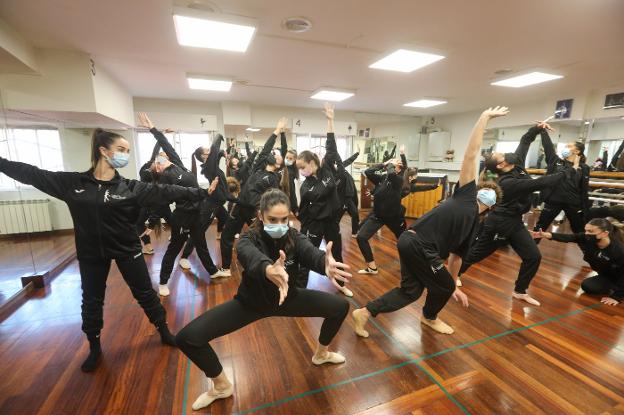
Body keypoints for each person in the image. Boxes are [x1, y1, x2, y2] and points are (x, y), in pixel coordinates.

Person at [0, 128, 219, 372]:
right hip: (91, 253)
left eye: (127, 150)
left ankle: (164, 331)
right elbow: (33, 174)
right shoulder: (73, 183)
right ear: (103, 151)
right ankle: (94, 346)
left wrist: (201, 192)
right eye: (121, 150)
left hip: (127, 249)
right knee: (92, 300)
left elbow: (165, 191)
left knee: (145, 293)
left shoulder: (129, 187)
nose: (125, 155)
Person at [175, 189, 352, 410]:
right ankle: (221, 386)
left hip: (288, 299)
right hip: (252, 304)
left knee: (340, 307)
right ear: (260, 216)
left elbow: (309, 252)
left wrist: (324, 264)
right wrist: (268, 269)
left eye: (284, 219)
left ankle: (322, 353)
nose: (279, 224)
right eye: (272, 220)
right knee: (187, 338)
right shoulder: (249, 237)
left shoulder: (294, 236)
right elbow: (248, 253)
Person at [351, 106, 507, 337]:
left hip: (409, 242)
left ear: (491, 207)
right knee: (440, 286)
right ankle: (429, 317)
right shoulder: (465, 195)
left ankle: (364, 313)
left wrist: (453, 284)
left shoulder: (475, 225)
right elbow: (471, 155)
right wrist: (483, 118)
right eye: (484, 191)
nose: (485, 196)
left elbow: (457, 257)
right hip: (418, 245)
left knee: (410, 292)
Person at [456, 124, 576, 305]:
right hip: (499, 223)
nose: (506, 154)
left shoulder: (516, 163)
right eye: (501, 155)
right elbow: (543, 183)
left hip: (515, 222)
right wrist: (570, 169)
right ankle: (454, 273)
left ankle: (520, 291)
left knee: (533, 256)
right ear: (501, 164)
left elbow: (525, 141)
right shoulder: (507, 182)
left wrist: (537, 129)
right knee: (477, 254)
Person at [138, 112, 221, 296]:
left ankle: (213, 271)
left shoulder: (176, 164)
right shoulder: (164, 180)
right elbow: (159, 203)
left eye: (161, 158)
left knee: (201, 244)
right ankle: (162, 282)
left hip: (197, 213)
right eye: (157, 161)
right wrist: (152, 222)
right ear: (156, 169)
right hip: (182, 217)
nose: (161, 159)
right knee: (174, 248)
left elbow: (165, 147)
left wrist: (153, 129)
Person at [216, 118, 288, 277]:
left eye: (277, 156)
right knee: (226, 236)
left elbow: (284, 150)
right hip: (240, 206)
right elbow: (265, 150)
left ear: (279, 164)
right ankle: (226, 268)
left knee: (263, 239)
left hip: (254, 211)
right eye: (273, 154)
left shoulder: (274, 178)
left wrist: (283, 136)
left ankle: (270, 266)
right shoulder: (258, 169)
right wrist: (277, 131)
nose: (273, 154)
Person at [356, 146, 441, 275]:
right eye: (394, 163)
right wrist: (383, 164)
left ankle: (418, 265)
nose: (395, 164)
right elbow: (368, 172)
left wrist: (393, 163)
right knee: (361, 237)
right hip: (378, 216)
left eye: (397, 164)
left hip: (394, 218)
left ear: (399, 168)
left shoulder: (399, 181)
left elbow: (393, 173)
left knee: (405, 243)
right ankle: (372, 267)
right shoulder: (383, 178)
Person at [296, 103, 352, 297]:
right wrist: (305, 229)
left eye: (303, 167)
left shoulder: (327, 168)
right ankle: (299, 290)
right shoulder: (305, 186)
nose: (301, 172)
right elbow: (302, 210)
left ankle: (341, 284)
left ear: (312, 163)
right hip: (314, 224)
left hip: (331, 222)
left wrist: (330, 120)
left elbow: (331, 145)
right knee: (307, 256)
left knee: (337, 254)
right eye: (299, 169)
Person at [532, 218, 624, 306]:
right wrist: (547, 235)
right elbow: (572, 237)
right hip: (608, 276)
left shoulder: (619, 251)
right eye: (586, 230)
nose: (586, 234)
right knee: (588, 286)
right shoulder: (589, 239)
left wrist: (616, 297)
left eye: (590, 231)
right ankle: (615, 286)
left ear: (604, 233)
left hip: (620, 276)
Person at [179, 134, 235, 269]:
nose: (211, 153)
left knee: (229, 222)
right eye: (208, 152)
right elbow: (215, 149)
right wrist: (219, 137)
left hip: (218, 203)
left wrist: (223, 153)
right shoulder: (209, 166)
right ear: (204, 157)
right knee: (199, 232)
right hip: (210, 205)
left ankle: (226, 244)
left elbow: (217, 153)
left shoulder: (211, 164)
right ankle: (184, 257)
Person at [533, 121, 590, 235]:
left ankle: (588, 252)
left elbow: (584, 188)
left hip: (573, 204)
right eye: (566, 146)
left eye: (569, 146)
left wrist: (584, 207)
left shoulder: (584, 168)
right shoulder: (555, 162)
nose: (566, 148)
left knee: (579, 231)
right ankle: (530, 250)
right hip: (553, 201)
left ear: (577, 151)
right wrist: (543, 130)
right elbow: (548, 146)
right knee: (539, 229)